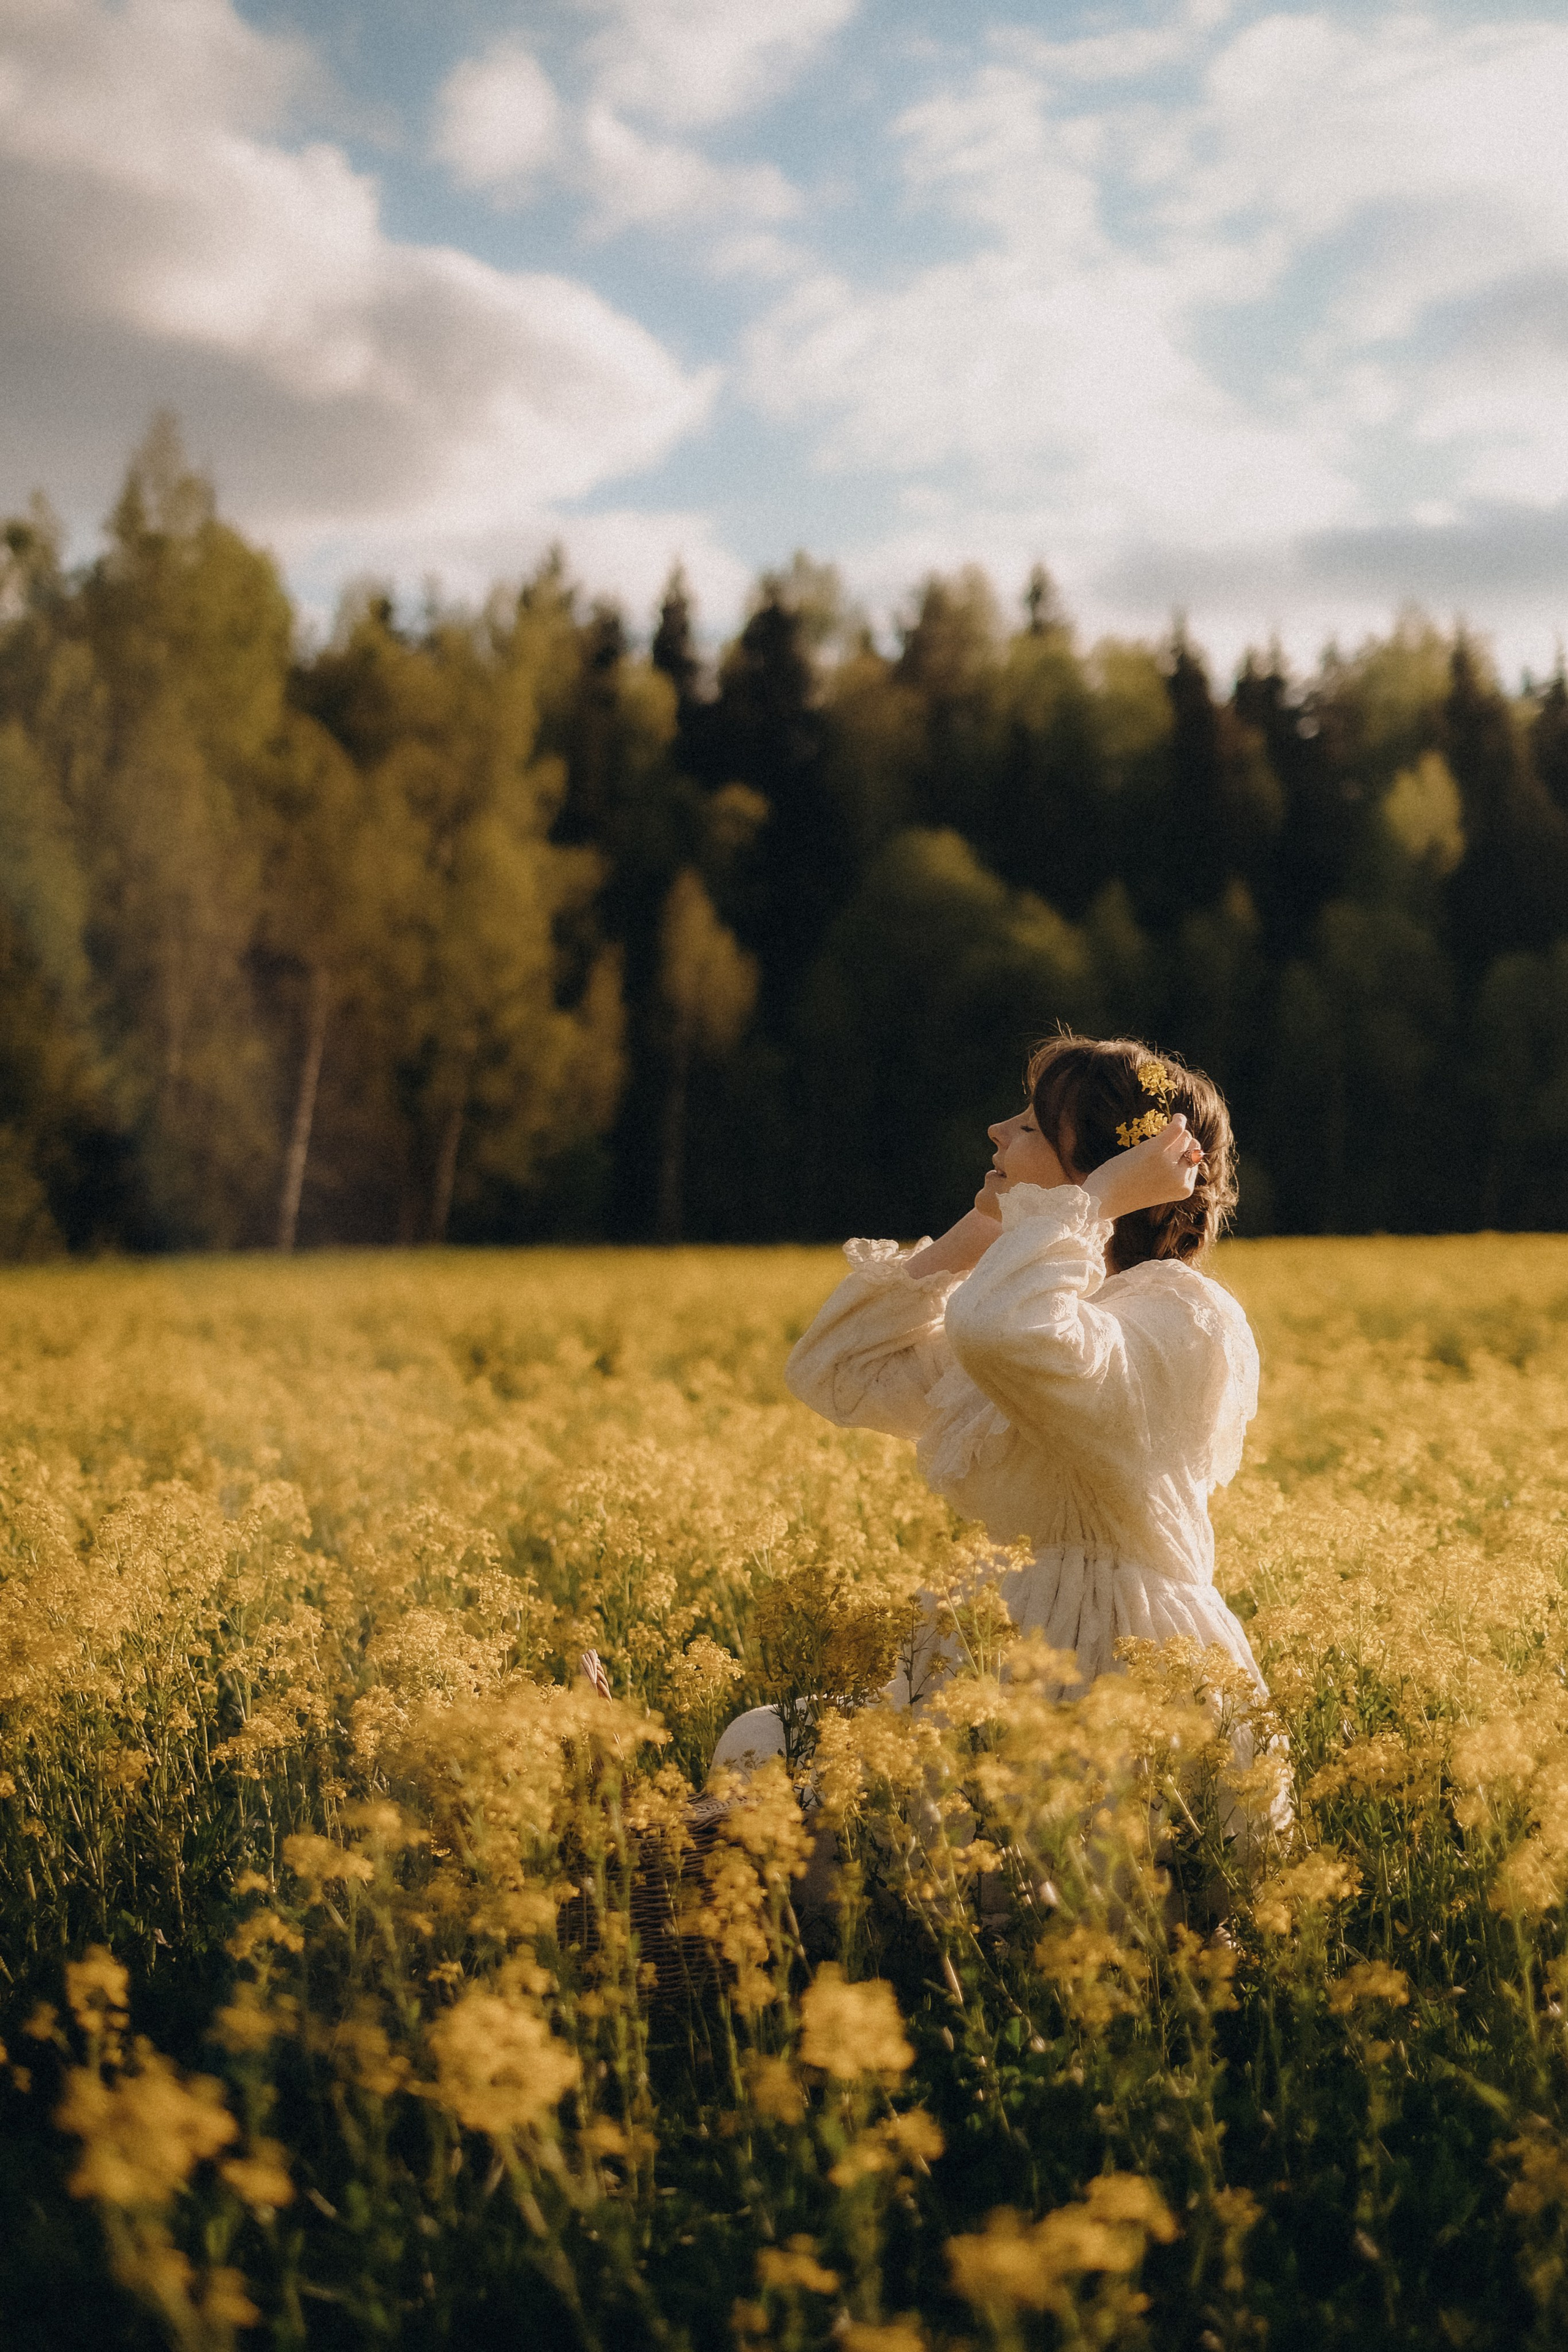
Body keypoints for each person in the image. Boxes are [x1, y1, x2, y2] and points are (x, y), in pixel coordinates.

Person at [710, 1033, 1275, 1791]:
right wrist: (984, 1229)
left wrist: (1091, 1204)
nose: (997, 1133)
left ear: (1102, 1169)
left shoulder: (1178, 1313)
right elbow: (833, 1369)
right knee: (760, 1745)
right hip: (1001, 1653)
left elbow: (1005, 1329)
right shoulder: (1046, 1310)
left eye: (1032, 1127)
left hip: (1116, 1667)